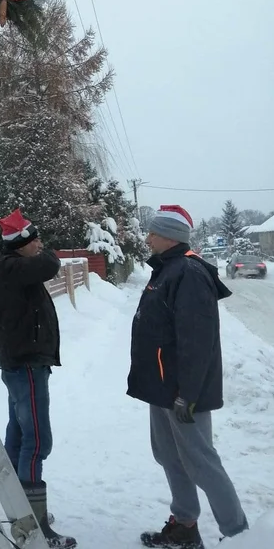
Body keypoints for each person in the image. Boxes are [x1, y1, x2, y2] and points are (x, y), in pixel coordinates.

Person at [127, 205, 249, 548]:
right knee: (169, 456)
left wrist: (189, 393)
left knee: (200, 460)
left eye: (153, 232)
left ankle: (240, 533)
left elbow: (197, 341)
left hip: (182, 391)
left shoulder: (189, 273)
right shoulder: (167, 269)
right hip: (162, 388)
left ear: (169, 236)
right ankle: (185, 526)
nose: (148, 237)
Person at [0, 208, 77, 549]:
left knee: (20, 434)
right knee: (37, 440)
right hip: (25, 365)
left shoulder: (10, 266)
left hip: (24, 364)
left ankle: (22, 510)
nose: (40, 244)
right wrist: (47, 251)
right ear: (18, 245)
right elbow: (49, 265)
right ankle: (34, 529)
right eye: (33, 239)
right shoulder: (8, 266)